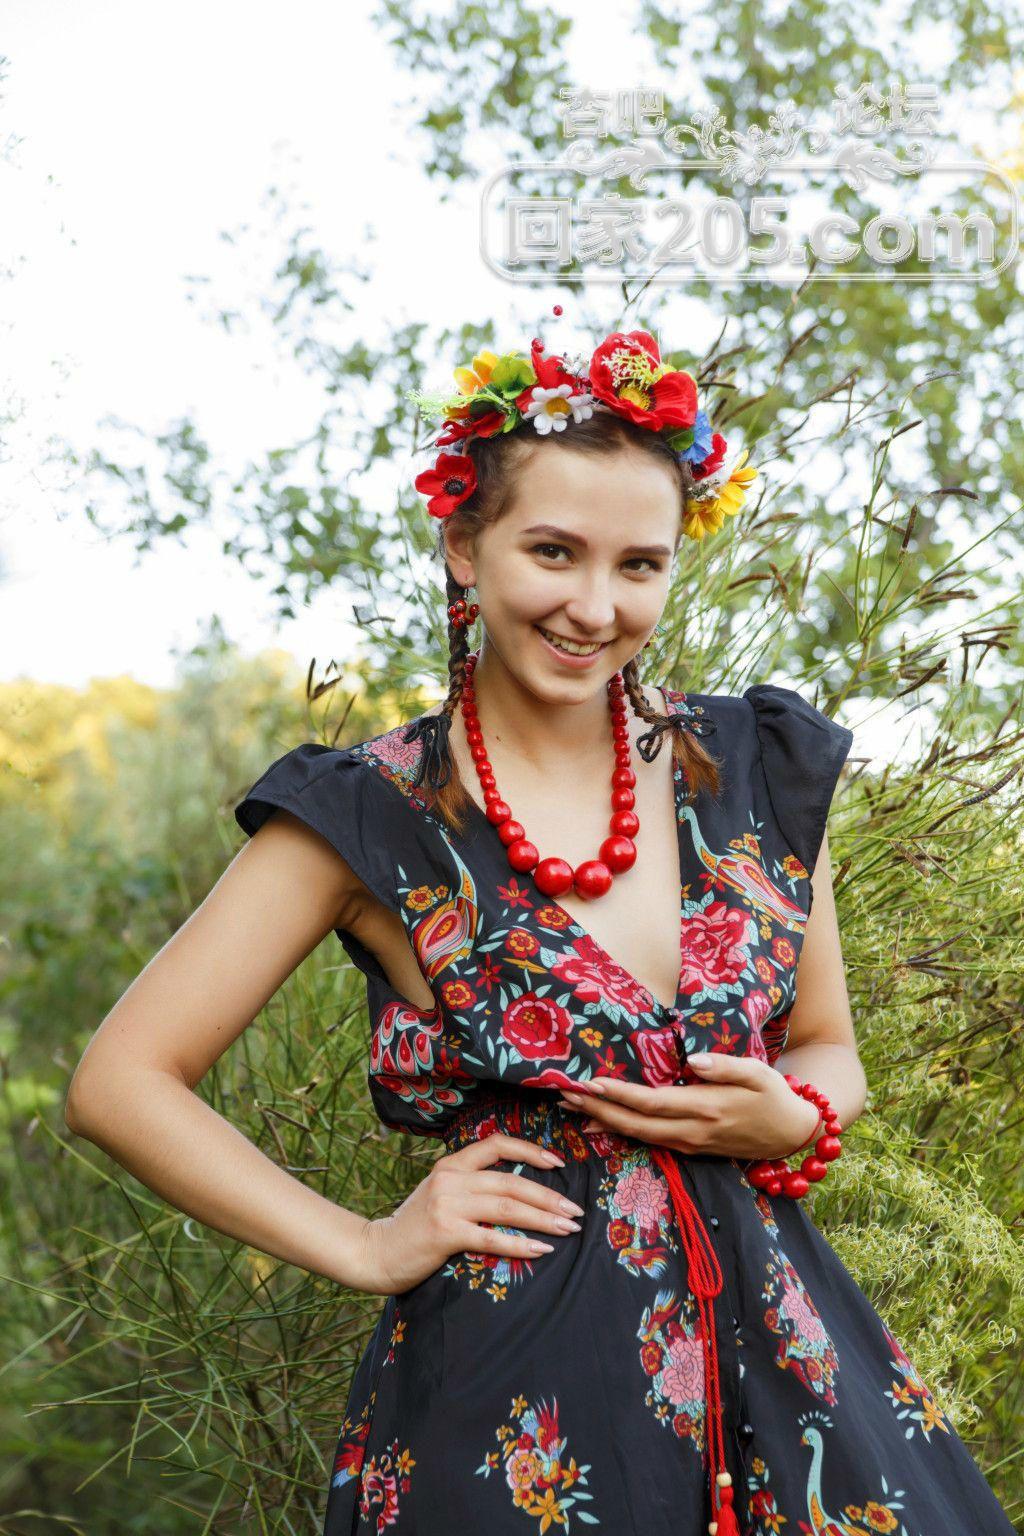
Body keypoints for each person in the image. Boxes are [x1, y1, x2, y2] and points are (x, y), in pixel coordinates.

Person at [64, 328, 1015, 1536]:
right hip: (519, 1407)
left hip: (791, 1371)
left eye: (638, 565)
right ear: (464, 547)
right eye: (553, 552)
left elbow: (826, 1043)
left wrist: (796, 1115)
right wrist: (366, 1244)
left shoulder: (756, 772)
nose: (594, 606)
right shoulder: (372, 813)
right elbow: (119, 1082)